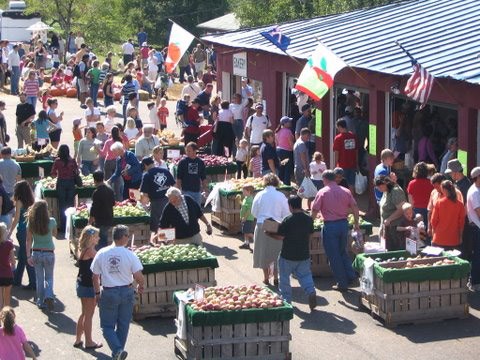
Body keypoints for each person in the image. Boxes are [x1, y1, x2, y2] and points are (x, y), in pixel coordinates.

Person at [91, 225, 145, 360]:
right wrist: (140, 286)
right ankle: (118, 350)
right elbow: (139, 277)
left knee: (107, 326)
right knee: (123, 324)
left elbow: (95, 276)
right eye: (127, 235)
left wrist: (97, 293)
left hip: (109, 292)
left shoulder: (102, 253)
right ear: (123, 237)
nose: (128, 237)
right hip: (126, 291)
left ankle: (118, 351)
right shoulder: (129, 254)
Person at [311, 170, 360, 291]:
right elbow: (355, 207)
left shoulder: (322, 192)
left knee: (334, 256)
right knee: (342, 251)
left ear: (325, 180)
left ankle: (342, 283)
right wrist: (357, 223)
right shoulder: (346, 191)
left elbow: (315, 210)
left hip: (330, 226)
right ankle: (350, 275)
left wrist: (309, 223)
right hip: (344, 224)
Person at [267, 196, 317, 309]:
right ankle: (311, 291)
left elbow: (280, 237)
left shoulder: (287, 220)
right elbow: (311, 234)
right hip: (303, 254)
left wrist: (269, 234)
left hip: (287, 255)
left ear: (290, 206)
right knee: (305, 275)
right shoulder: (308, 219)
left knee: (284, 278)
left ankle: (286, 300)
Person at [251, 174, 290, 286]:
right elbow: (286, 213)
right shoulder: (281, 196)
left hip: (262, 224)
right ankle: (276, 277)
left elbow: (254, 212)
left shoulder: (259, 194)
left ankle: (266, 277)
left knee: (263, 252)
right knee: (276, 252)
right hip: (276, 225)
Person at [74, 226, 103, 350]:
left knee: (84, 313)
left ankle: (78, 340)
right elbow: (102, 259)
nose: (99, 238)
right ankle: (89, 341)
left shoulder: (84, 249)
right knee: (89, 315)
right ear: (91, 238)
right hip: (88, 286)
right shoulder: (91, 251)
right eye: (96, 236)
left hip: (81, 283)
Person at [26, 200, 57, 310]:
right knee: (49, 277)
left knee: (39, 278)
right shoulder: (52, 221)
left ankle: (40, 301)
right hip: (49, 252)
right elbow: (55, 234)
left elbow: (28, 240)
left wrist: (28, 255)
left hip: (36, 252)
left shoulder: (31, 223)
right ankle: (49, 295)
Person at [9, 181, 36, 290]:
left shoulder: (19, 202)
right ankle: (17, 279)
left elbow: (16, 219)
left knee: (25, 256)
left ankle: (33, 282)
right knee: (22, 255)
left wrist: (10, 231)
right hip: (30, 230)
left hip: (22, 231)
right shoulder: (32, 201)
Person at [140, 157, 175, 237]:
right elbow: (175, 186)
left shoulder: (147, 175)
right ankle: (168, 242)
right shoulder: (165, 171)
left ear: (145, 165)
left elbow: (145, 196)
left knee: (157, 224)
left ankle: (160, 243)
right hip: (169, 201)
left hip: (156, 203)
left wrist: (142, 201)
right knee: (168, 221)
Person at [431, 180, 465, 250]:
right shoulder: (460, 205)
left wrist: (434, 232)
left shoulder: (439, 203)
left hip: (439, 238)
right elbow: (461, 223)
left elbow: (433, 220)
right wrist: (460, 236)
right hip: (454, 240)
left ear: (443, 190)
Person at [375, 175, 406, 251]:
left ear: (386, 183)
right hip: (387, 228)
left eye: (380, 186)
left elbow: (401, 209)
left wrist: (389, 219)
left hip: (396, 228)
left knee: (395, 250)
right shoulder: (385, 191)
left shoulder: (395, 191)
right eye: (377, 187)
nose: (379, 189)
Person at [89, 171, 115, 250]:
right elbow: (113, 203)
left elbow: (94, 208)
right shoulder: (110, 190)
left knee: (100, 240)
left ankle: (100, 255)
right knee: (104, 238)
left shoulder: (97, 192)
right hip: (108, 218)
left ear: (94, 180)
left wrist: (90, 221)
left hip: (99, 220)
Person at [407, 162, 434, 230]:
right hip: (429, 210)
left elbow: (411, 202)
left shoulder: (411, 183)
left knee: (417, 232)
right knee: (428, 231)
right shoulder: (431, 183)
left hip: (416, 210)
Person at [333, 119, 357, 194]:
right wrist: (357, 164)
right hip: (352, 164)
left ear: (340, 127)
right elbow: (356, 151)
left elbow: (336, 153)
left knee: (341, 184)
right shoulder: (353, 136)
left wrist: (335, 166)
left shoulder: (338, 138)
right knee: (351, 184)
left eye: (337, 128)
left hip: (342, 165)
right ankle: (351, 200)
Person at [275, 116, 294, 185]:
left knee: (281, 168)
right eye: (289, 122)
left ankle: (279, 184)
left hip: (279, 151)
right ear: (285, 123)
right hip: (287, 152)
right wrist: (294, 151)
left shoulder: (277, 131)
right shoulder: (288, 131)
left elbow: (276, 143)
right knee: (287, 169)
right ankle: (286, 185)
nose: (290, 123)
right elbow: (291, 143)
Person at [0, 222, 14, 308]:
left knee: (0, 301)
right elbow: (13, 261)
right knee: (7, 301)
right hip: (7, 274)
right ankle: (7, 319)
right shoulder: (9, 244)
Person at [239, 185, 255, 250]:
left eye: (244, 191)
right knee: (245, 231)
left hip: (248, 218)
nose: (243, 192)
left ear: (249, 191)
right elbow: (244, 206)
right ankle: (246, 243)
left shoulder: (250, 199)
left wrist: (245, 218)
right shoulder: (246, 198)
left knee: (248, 232)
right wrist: (239, 201)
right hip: (245, 218)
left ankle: (256, 240)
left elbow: (249, 210)